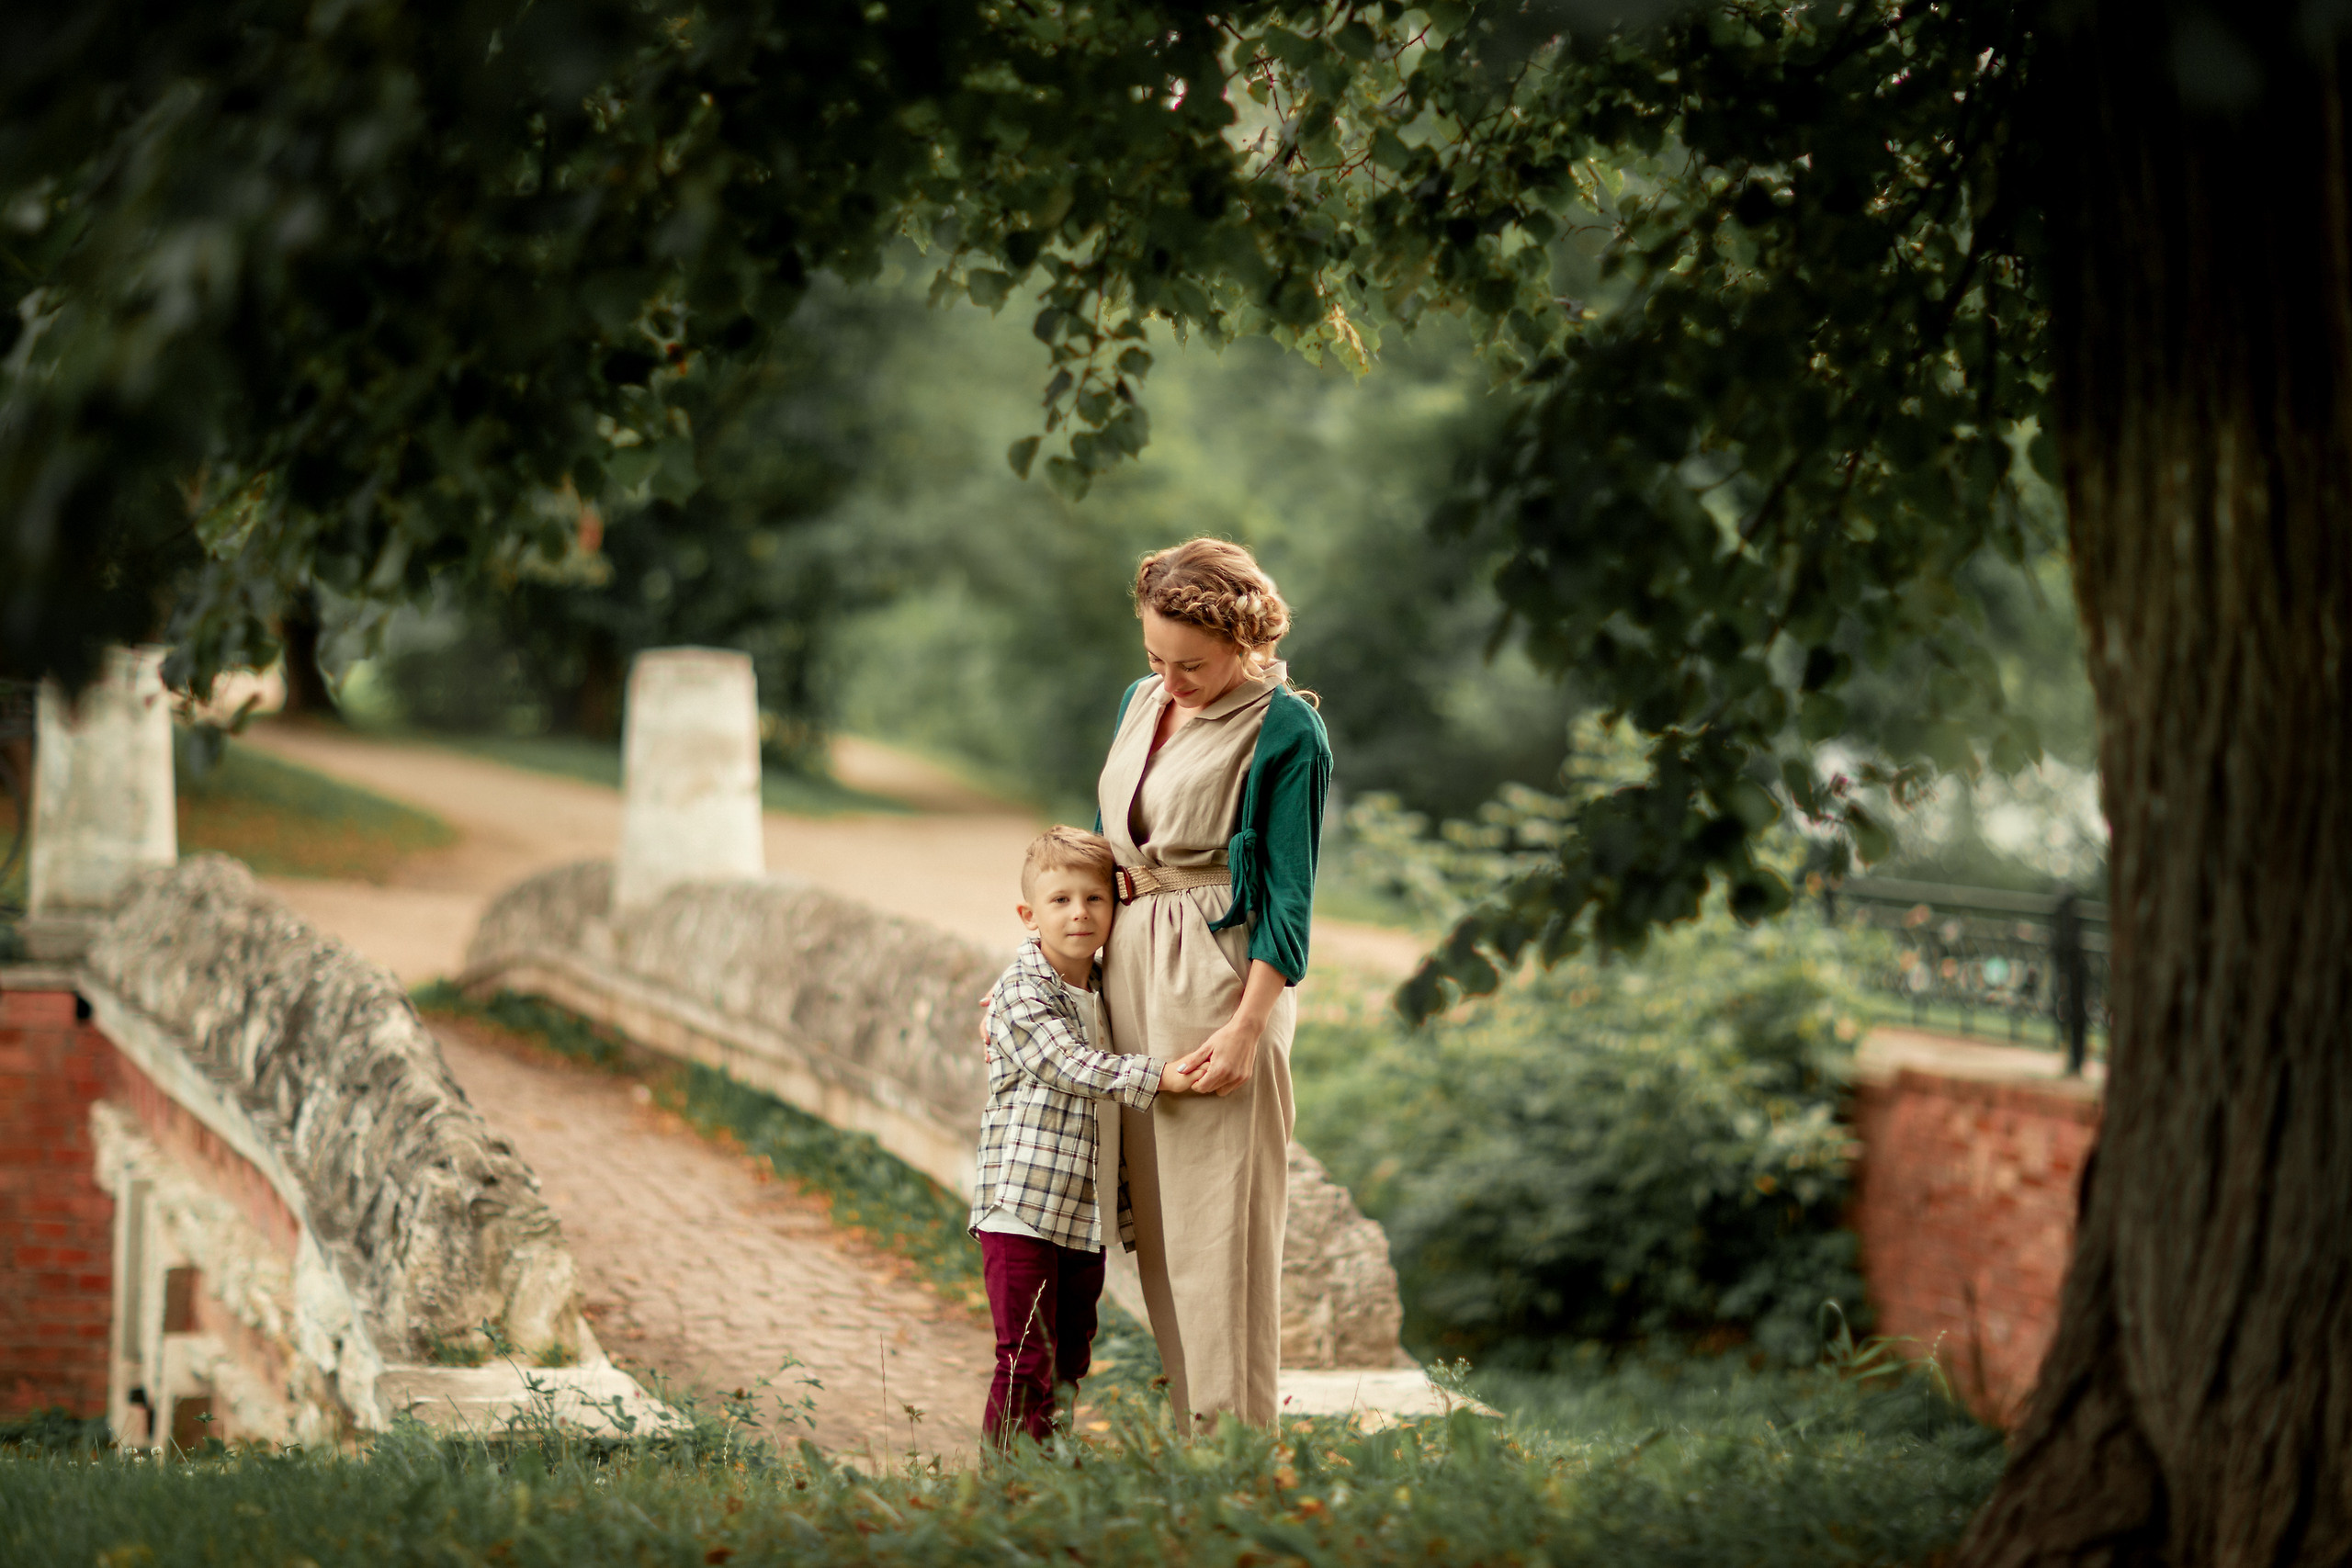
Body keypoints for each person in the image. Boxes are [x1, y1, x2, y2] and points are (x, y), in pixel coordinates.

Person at [1095, 538, 1332, 1432]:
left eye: (1189, 663)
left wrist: (1244, 1029)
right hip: (1128, 974)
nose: (1169, 678)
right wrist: (1042, 973)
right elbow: (1102, 848)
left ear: (1244, 640)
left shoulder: (1286, 731)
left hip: (1220, 986)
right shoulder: (1138, 701)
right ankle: (1198, 1443)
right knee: (1158, 1234)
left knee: (1218, 1238)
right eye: (1155, 657)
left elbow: (1291, 902)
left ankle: (1238, 1459)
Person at [967, 825, 1193, 1448]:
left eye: (1094, 899)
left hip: (1081, 1213)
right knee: (1025, 1358)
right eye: (1061, 900)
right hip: (1022, 1208)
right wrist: (1162, 1076)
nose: (1079, 913)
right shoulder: (1020, 990)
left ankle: (1050, 1470)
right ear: (1029, 914)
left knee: (1069, 1358)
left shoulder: (1105, 985)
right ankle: (1008, 1486)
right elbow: (1067, 1064)